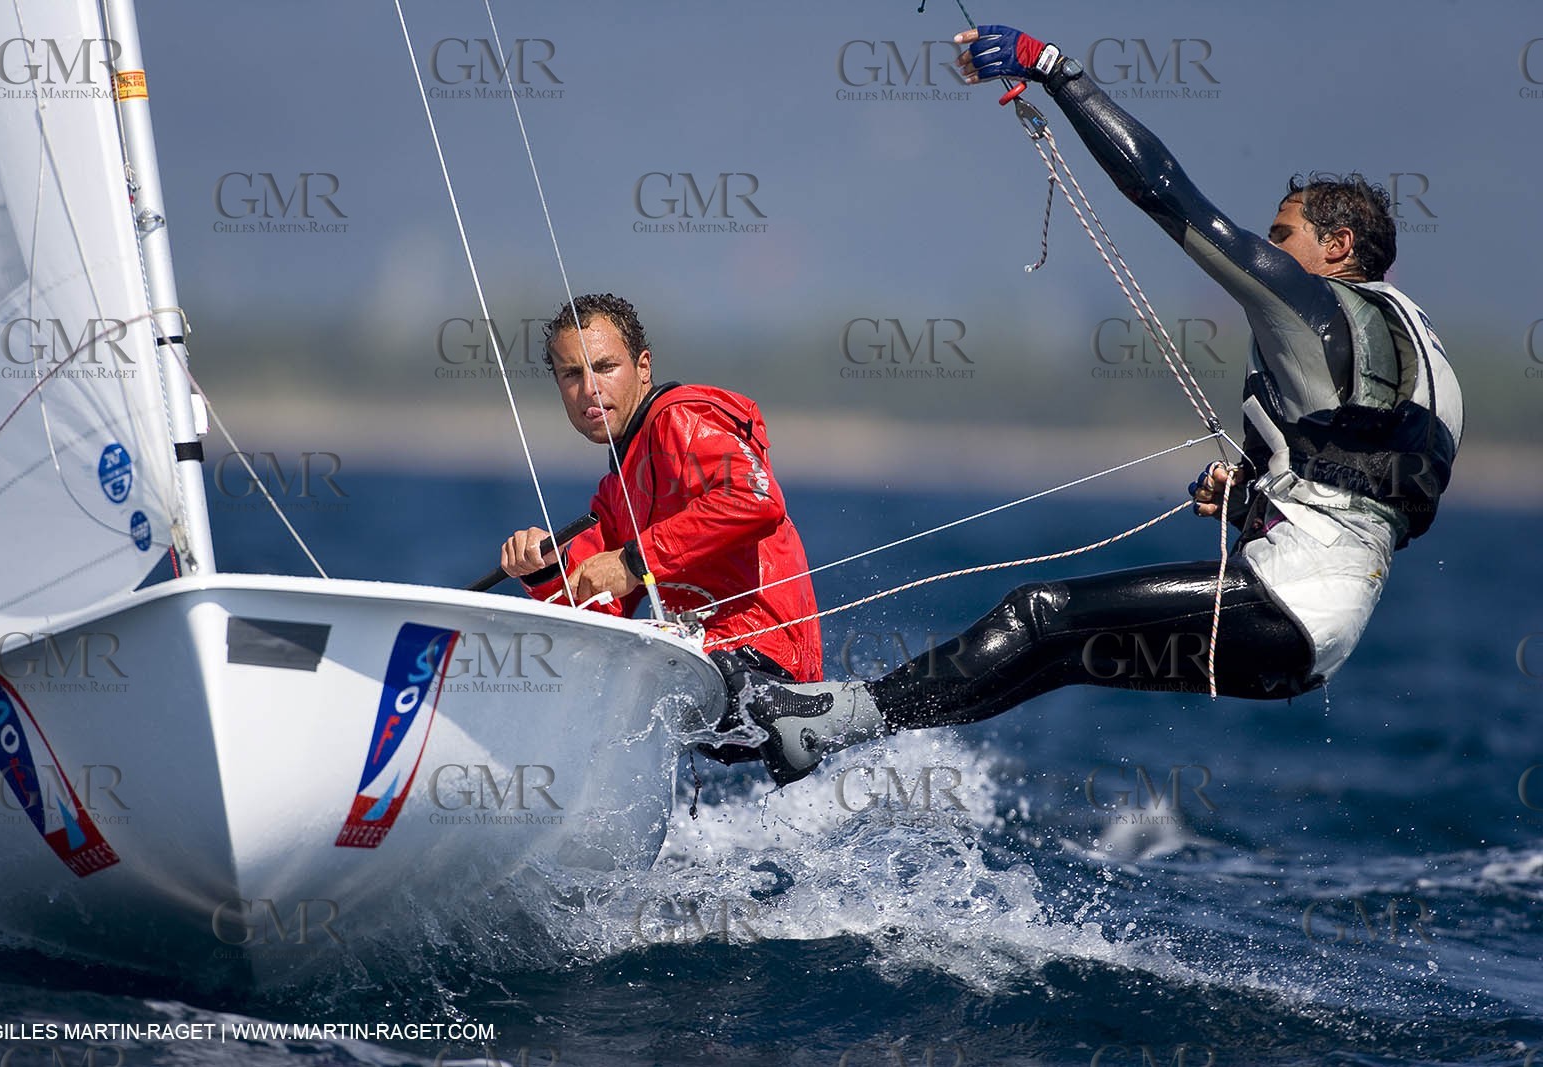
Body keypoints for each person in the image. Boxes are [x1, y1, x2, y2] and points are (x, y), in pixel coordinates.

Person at [709, 23, 1463, 786]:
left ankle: (832, 719)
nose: (1266, 251)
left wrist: (1054, 71)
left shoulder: (1317, 309)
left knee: (1038, 613)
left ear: (1338, 246)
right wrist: (1248, 499)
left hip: (1283, 603)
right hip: (1317, 638)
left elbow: (1167, 193)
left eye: (1282, 235)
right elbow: (1368, 499)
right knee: (1058, 648)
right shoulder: (1427, 364)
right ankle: (823, 732)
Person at [499, 293, 822, 683]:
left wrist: (634, 562)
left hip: (763, 664)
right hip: (705, 667)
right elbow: (595, 608)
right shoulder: (616, 490)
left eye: (605, 367)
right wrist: (546, 569)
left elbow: (755, 499)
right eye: (572, 374)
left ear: (643, 367)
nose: (589, 388)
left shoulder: (680, 419)